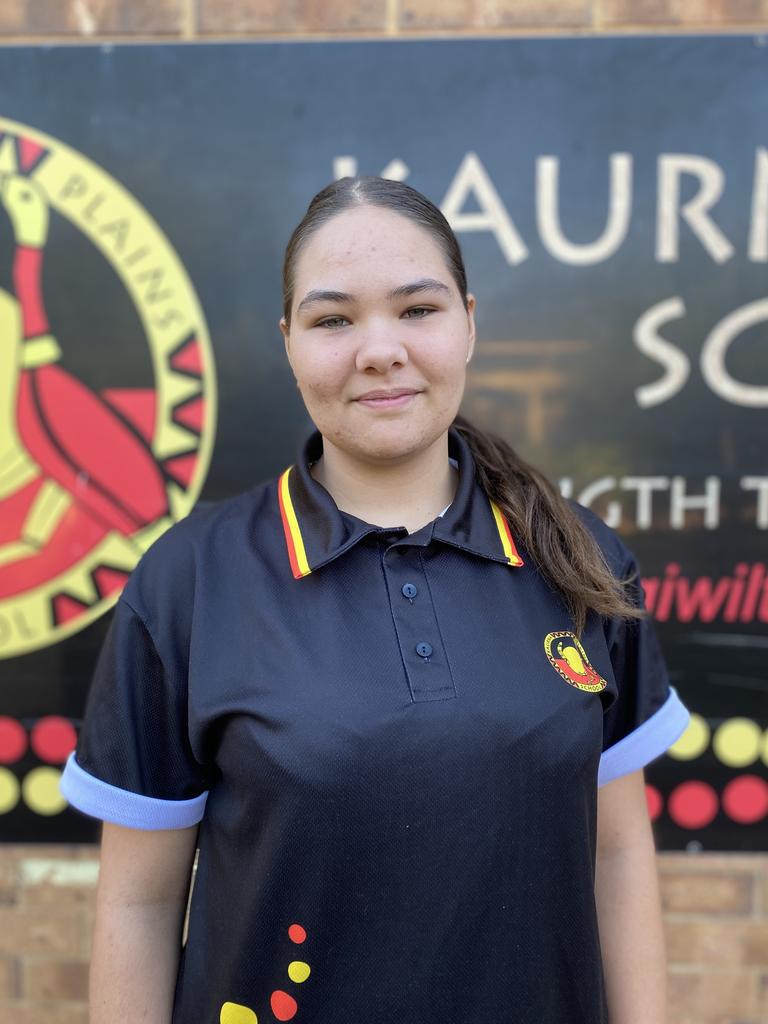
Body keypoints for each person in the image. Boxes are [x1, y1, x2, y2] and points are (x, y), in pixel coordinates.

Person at [60, 175, 691, 1024]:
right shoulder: (190, 581)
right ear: (288, 342)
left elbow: (616, 854)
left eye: (417, 310)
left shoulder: (579, 557)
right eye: (333, 320)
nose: (380, 350)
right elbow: (137, 907)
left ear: (468, 320)